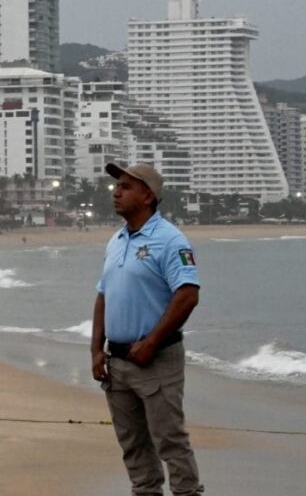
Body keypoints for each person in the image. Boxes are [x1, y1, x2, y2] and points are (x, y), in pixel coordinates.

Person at [91, 163, 203, 495]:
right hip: (118, 362)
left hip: (156, 360)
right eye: (117, 186)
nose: (116, 191)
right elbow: (103, 295)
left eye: (126, 186)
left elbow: (188, 295)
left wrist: (151, 343)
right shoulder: (117, 240)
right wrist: (96, 350)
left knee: (170, 441)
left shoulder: (170, 240)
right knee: (134, 447)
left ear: (148, 196)